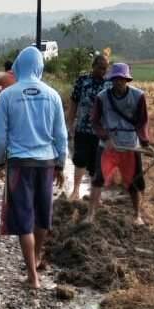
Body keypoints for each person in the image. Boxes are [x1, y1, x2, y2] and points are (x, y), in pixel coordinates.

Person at [0, 46, 68, 289]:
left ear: (17, 66)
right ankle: (36, 259)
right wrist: (60, 164)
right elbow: (61, 136)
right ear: (39, 67)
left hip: (19, 164)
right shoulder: (53, 95)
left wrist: (0, 161)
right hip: (46, 163)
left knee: (24, 217)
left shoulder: (7, 96)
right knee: (42, 215)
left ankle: (32, 277)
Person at [86, 63, 151, 225]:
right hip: (108, 145)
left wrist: (144, 142)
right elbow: (95, 121)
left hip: (130, 145)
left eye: (122, 79)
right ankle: (90, 214)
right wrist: (105, 138)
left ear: (127, 80)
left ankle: (137, 215)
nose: (118, 82)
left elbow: (142, 122)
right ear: (111, 80)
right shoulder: (102, 97)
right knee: (98, 178)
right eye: (115, 79)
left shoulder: (138, 96)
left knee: (133, 181)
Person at [68, 55, 110, 200]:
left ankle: (94, 195)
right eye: (100, 68)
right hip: (82, 128)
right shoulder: (82, 80)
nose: (103, 71)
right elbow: (74, 103)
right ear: (93, 66)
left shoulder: (108, 84)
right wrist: (70, 125)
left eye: (105, 69)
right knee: (80, 159)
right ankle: (76, 190)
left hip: (100, 131)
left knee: (96, 164)